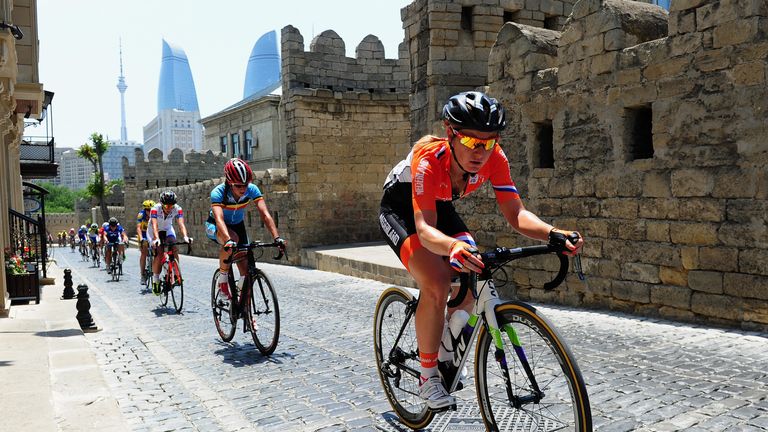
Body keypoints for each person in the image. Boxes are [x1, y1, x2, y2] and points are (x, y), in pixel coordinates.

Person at [378, 91, 583, 409]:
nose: (481, 151)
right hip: (402, 207)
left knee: (474, 270)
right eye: (473, 142)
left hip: (441, 205)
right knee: (436, 281)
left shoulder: (495, 158)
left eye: (488, 142)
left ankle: (445, 344)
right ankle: (428, 376)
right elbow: (425, 230)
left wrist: (552, 233)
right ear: (451, 134)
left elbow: (516, 214)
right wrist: (452, 246)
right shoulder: (430, 160)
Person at [205, 158, 285, 300]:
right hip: (216, 225)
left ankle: (247, 315)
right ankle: (222, 281)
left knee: (246, 274)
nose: (243, 189)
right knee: (232, 239)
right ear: (230, 182)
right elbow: (219, 219)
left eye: (246, 185)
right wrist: (228, 240)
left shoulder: (252, 190)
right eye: (238, 186)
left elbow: (265, 215)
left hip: (238, 225)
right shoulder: (218, 193)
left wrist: (277, 238)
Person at [149, 191, 191, 295]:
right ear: (162, 204)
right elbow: (154, 225)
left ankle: (177, 274)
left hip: (167, 229)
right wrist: (156, 239)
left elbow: (181, 224)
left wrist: (185, 236)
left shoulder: (178, 209)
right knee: (159, 253)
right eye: (167, 205)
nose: (169, 208)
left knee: (174, 246)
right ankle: (156, 280)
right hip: (154, 230)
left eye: (171, 205)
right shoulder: (155, 209)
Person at [136, 200, 155, 285]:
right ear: (145, 209)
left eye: (151, 209)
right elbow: (139, 228)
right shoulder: (141, 215)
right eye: (147, 209)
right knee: (144, 252)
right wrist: (141, 238)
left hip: (152, 233)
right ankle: (142, 274)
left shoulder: (156, 214)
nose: (149, 211)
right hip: (143, 233)